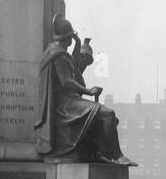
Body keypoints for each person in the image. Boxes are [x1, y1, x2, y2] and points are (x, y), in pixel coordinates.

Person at [35, 15, 132, 164]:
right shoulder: (59, 56)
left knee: (103, 117)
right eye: (71, 38)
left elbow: (73, 63)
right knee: (108, 115)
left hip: (69, 101)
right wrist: (89, 91)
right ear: (67, 38)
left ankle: (98, 153)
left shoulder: (57, 52)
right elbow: (67, 82)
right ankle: (117, 155)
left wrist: (79, 42)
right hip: (65, 105)